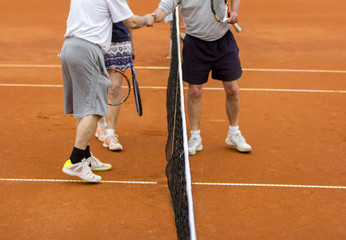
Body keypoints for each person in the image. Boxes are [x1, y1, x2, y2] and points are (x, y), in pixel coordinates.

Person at [61, 0, 154, 182]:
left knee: (84, 106)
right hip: (88, 50)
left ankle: (86, 156)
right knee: (96, 108)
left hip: (70, 48)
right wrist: (148, 19)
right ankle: (76, 159)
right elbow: (132, 22)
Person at [153, 0, 252, 155]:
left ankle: (234, 133)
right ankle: (195, 137)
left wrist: (234, 11)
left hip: (223, 40)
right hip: (195, 43)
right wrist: (152, 18)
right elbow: (164, 8)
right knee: (194, 92)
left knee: (233, 89)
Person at [95, 17, 136, 151]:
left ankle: (110, 134)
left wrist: (132, 44)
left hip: (120, 41)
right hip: (97, 40)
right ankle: (101, 126)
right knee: (99, 86)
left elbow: (128, 17)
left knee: (115, 88)